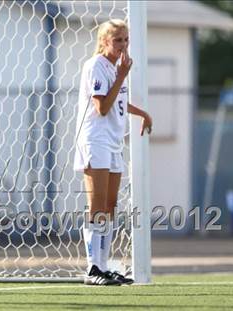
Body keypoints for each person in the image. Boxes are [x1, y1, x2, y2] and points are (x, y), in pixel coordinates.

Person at [74, 19, 152, 286]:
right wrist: (121, 76)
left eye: (126, 39)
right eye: (117, 39)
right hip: (95, 140)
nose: (123, 44)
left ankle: (104, 266)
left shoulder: (116, 67)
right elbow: (102, 108)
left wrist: (141, 113)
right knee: (97, 206)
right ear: (104, 41)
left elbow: (118, 100)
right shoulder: (96, 65)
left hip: (114, 142)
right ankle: (92, 268)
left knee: (110, 206)